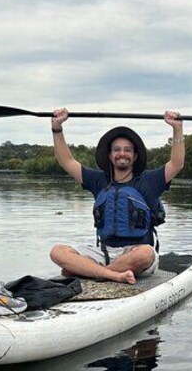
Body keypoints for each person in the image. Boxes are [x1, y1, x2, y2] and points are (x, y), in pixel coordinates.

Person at [48, 108, 184, 284]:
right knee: (58, 251)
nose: (122, 153)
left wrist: (177, 128)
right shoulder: (98, 180)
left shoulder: (150, 181)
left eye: (127, 150)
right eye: (117, 149)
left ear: (134, 156)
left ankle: (91, 272)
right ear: (110, 155)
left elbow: (177, 163)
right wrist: (57, 128)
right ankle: (113, 275)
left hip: (136, 254)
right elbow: (66, 161)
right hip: (104, 252)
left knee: (146, 253)